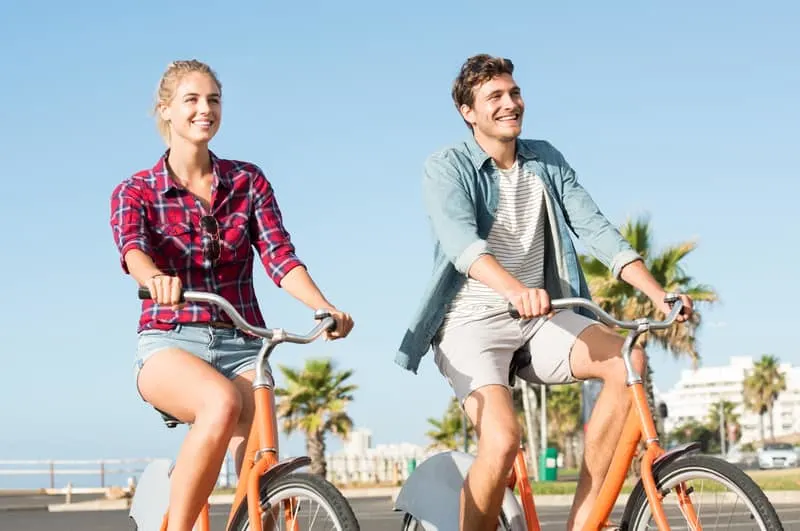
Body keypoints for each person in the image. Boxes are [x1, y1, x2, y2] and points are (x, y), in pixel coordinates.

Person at [396, 54, 693, 531]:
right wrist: (515, 289)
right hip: (469, 325)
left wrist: (659, 294)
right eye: (494, 96)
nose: (510, 103)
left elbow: (596, 229)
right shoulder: (446, 166)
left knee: (628, 362)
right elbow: (461, 245)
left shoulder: (545, 159)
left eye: (513, 93)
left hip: (539, 319)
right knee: (502, 439)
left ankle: (583, 524)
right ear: (468, 111)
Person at [109, 59, 354, 531]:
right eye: (192, 100)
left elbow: (280, 258)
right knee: (220, 404)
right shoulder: (135, 190)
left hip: (244, 342)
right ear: (166, 110)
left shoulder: (248, 181)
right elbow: (132, 250)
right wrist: (156, 278)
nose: (206, 109)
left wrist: (322, 306)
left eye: (214, 100)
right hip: (170, 340)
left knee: (260, 465)